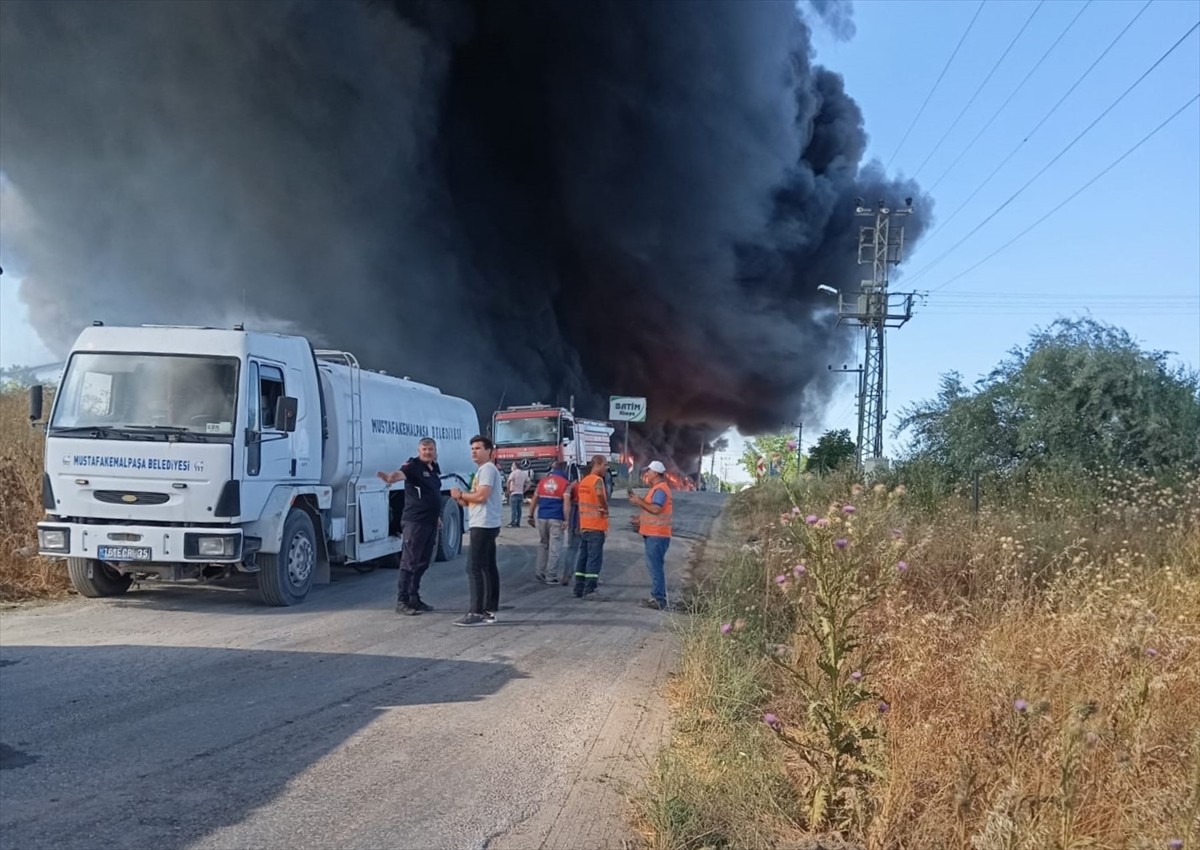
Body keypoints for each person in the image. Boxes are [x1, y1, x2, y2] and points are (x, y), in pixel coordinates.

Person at [377, 437, 442, 616]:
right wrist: (391, 477)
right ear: (419, 451)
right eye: (424, 449)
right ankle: (402, 600)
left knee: (424, 561)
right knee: (410, 561)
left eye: (430, 449)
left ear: (435, 451)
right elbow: (400, 474)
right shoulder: (413, 465)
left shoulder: (434, 468)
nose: (427, 452)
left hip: (430, 522)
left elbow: (433, 493)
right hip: (415, 522)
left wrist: (436, 517)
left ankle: (414, 597)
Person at [450, 435, 503, 626]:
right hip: (486, 522)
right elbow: (473, 500)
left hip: (483, 524)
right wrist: (460, 499)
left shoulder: (487, 469)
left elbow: (481, 496)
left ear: (489, 451)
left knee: (473, 567)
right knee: (488, 567)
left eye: (478, 448)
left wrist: (462, 494)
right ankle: (489, 609)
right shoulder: (482, 470)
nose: (474, 451)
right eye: (472, 448)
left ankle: (476, 612)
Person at [629, 460, 672, 611]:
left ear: (655, 473)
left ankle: (659, 599)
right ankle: (658, 596)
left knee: (655, 567)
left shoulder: (660, 490)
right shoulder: (657, 489)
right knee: (654, 566)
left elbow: (655, 509)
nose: (646, 474)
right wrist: (639, 519)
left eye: (649, 471)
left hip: (657, 535)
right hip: (654, 534)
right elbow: (651, 511)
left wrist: (638, 501)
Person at [572, 455, 610, 599]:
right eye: (605, 465)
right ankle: (590, 590)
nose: (606, 468)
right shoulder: (597, 480)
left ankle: (578, 588)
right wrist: (604, 507)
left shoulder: (584, 482)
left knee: (583, 558)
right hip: (596, 526)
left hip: (585, 526)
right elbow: (599, 494)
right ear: (598, 464)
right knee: (594, 559)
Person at [528, 460, 570, 584]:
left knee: (543, 544)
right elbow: (566, 503)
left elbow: (534, 499)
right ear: (564, 470)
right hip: (556, 518)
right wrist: (567, 519)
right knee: (555, 547)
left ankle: (539, 572)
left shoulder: (542, 482)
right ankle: (551, 576)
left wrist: (530, 516)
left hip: (542, 518)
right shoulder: (565, 483)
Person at [506, 461, 532, 527]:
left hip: (514, 493)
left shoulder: (513, 473)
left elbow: (509, 481)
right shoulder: (524, 474)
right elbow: (529, 483)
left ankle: (512, 522)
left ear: (515, 466)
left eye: (512, 465)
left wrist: (508, 490)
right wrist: (524, 490)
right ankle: (518, 523)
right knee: (519, 509)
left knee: (513, 509)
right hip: (520, 493)